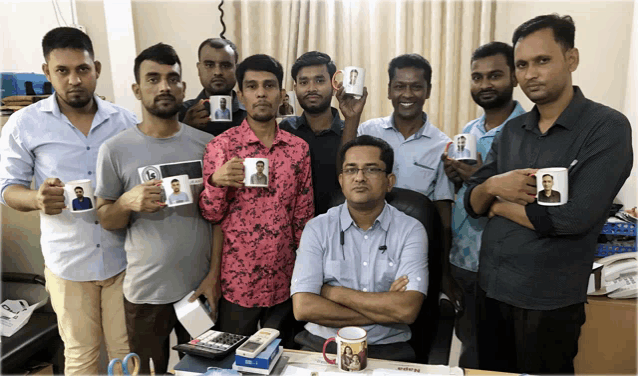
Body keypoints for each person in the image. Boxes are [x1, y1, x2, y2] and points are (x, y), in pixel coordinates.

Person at [465, 15, 632, 374]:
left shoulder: (606, 128)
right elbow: (472, 201)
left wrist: (500, 206)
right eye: (522, 65)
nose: (530, 74)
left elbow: (571, 219)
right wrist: (493, 187)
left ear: (571, 59)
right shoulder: (513, 130)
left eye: (543, 61)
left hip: (546, 302)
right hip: (490, 289)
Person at [0, 27, 134, 375]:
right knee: (81, 356)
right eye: (63, 70)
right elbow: (7, 188)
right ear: (47, 72)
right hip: (69, 264)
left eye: (82, 69)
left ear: (97, 69)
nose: (74, 79)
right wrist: (37, 198)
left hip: (123, 258)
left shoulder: (126, 122)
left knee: (128, 354)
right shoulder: (23, 125)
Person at [95, 43, 216, 375]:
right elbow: (106, 219)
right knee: (150, 373)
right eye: (152, 79)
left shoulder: (206, 145)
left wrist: (214, 276)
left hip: (199, 291)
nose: (164, 86)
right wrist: (126, 202)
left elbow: (219, 218)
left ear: (183, 87)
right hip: (146, 296)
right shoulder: (115, 150)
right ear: (137, 89)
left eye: (172, 78)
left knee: (206, 371)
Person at [199, 54, 314, 347]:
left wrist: (308, 273)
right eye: (252, 86)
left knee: (282, 359)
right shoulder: (221, 147)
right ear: (240, 95)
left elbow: (303, 217)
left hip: (285, 278)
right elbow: (211, 215)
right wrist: (216, 182)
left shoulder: (298, 149)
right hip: (238, 282)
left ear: (281, 94)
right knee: (234, 360)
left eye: (269, 85)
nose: (261, 93)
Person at [291, 135, 428, 361]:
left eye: (372, 169)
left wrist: (331, 292)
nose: (360, 178)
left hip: (388, 347)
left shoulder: (411, 230)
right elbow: (304, 307)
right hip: (323, 344)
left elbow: (406, 310)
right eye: (351, 170)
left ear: (389, 180)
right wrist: (385, 309)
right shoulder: (317, 228)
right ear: (341, 180)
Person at [441, 41, 526, 369]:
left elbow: (531, 198)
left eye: (494, 75)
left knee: (505, 356)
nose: (485, 84)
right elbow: (467, 193)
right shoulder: (469, 130)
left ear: (514, 77)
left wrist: (482, 178)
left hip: (504, 265)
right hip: (464, 260)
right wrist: (458, 176)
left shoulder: (527, 131)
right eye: (477, 77)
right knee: (470, 351)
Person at [355, 54, 459, 309]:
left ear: (428, 91)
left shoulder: (442, 145)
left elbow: (444, 216)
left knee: (408, 321)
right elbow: (347, 180)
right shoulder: (368, 131)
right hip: (362, 248)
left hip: (413, 253)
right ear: (389, 90)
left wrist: (445, 274)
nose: (407, 94)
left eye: (416, 86)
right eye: (400, 86)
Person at [279, 51, 368, 215]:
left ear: (334, 85)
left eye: (319, 81)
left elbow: (350, 180)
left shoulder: (351, 131)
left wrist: (352, 119)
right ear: (295, 87)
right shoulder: (285, 130)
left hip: (338, 229)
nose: (311, 88)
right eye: (304, 82)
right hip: (291, 230)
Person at [179, 38, 246, 135]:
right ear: (199, 69)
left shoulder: (252, 113)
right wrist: (185, 129)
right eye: (209, 65)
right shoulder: (179, 113)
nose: (217, 72)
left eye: (226, 65)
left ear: (237, 70)